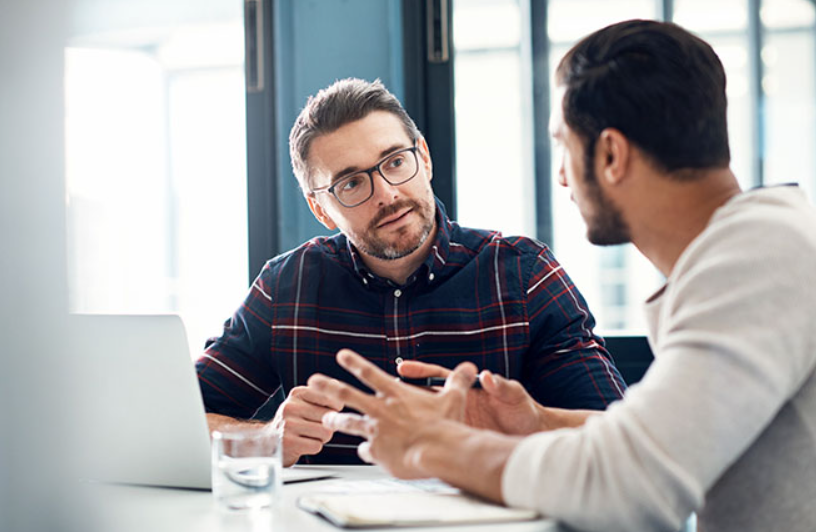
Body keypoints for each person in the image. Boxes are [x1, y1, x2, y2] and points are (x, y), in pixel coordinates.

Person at [308, 20, 816, 532]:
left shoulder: (760, 257)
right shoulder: (755, 249)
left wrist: (436, 448)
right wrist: (540, 422)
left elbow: (628, 484)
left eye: (563, 145)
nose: (561, 175)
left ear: (612, 155)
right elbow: (663, 439)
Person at [196, 78, 625, 466]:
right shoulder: (284, 288)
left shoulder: (525, 274)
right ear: (320, 208)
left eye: (396, 161)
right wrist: (264, 438)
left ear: (424, 157)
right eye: (351, 183)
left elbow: (617, 438)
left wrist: (523, 423)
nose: (386, 192)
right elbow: (179, 422)